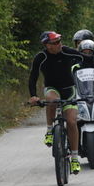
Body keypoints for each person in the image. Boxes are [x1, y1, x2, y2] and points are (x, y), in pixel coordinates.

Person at [28, 31, 83, 174]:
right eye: (55, 42)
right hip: (52, 88)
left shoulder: (67, 52)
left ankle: (75, 159)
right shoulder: (41, 57)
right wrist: (33, 96)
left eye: (60, 40)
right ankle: (49, 130)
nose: (60, 44)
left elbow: (87, 58)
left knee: (71, 122)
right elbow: (33, 77)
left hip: (69, 89)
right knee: (52, 101)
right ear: (47, 45)